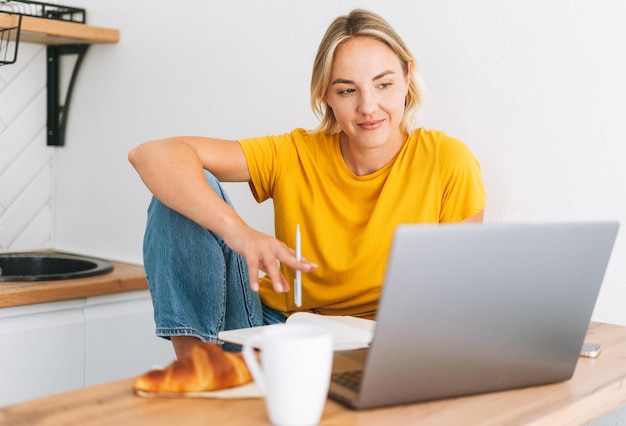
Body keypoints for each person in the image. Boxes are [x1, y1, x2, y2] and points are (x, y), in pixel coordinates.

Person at [128, 9, 486, 359]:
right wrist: (236, 230)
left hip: (380, 344)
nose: (369, 106)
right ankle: (201, 369)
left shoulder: (447, 161)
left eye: (384, 84)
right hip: (278, 328)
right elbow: (152, 154)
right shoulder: (294, 153)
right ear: (325, 95)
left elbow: (458, 298)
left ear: (407, 78)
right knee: (177, 196)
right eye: (347, 91)